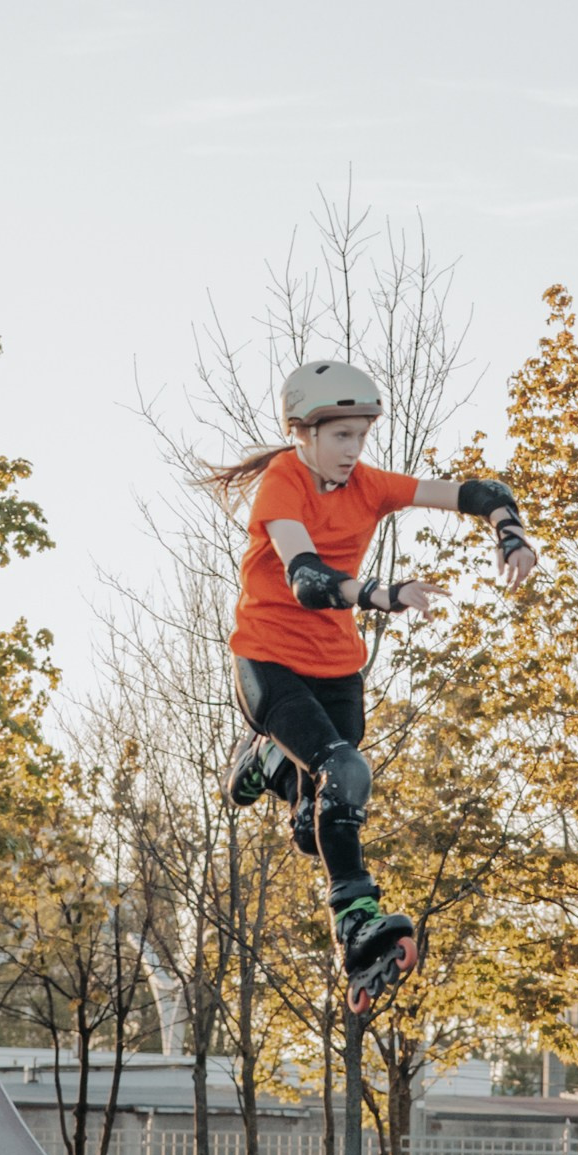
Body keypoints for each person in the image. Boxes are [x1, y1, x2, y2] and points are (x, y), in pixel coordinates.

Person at [212, 357, 538, 1010]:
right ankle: (353, 920)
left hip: (337, 672)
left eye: (361, 436)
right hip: (270, 659)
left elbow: (477, 491)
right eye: (340, 437)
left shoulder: (370, 483)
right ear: (302, 433)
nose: (353, 451)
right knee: (347, 773)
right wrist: (385, 593)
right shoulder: (282, 484)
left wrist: (510, 533)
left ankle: (269, 763)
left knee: (315, 829)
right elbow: (307, 579)